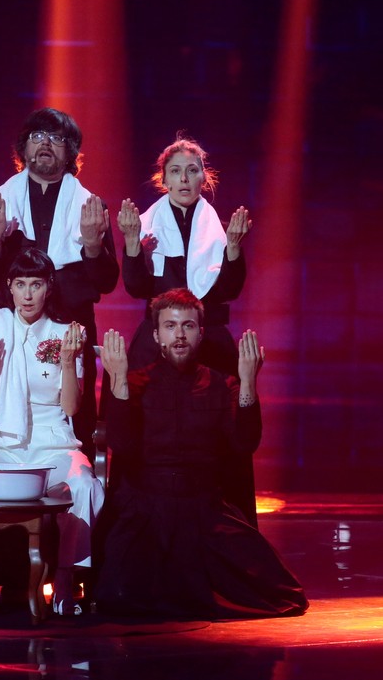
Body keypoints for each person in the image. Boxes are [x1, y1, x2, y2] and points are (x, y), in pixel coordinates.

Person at [93, 289, 308, 619]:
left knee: (280, 594)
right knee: (120, 595)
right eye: (170, 326)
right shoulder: (134, 382)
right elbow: (121, 445)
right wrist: (118, 380)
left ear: (201, 333)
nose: (179, 335)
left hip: (205, 511)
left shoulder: (222, 384)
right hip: (148, 512)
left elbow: (245, 444)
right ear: (156, 335)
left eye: (188, 326)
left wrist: (248, 382)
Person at [0, 248, 105, 614]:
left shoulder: (67, 331)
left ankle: (65, 578)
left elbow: (71, 408)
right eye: (20, 284)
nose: (28, 294)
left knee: (83, 484)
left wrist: (69, 361)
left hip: (53, 442)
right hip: (3, 443)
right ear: (10, 287)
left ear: (49, 287)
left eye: (36, 284)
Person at [113, 134, 256, 522]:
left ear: (203, 178)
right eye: (175, 171)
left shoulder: (218, 229)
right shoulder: (145, 226)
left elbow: (228, 290)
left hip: (208, 341)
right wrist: (131, 243)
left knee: (221, 432)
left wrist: (234, 248)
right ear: (163, 179)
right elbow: (137, 288)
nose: (184, 179)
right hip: (156, 342)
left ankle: (224, 525)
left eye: (192, 171)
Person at [0, 108, 119, 456]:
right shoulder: (1, 202)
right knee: (0, 408)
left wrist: (93, 245)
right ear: (23, 148)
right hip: (13, 326)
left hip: (71, 325)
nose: (45, 144)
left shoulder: (89, 205)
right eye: (37, 136)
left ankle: (75, 479)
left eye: (56, 138)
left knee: (76, 414)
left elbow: (107, 282)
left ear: (71, 153)